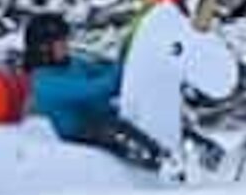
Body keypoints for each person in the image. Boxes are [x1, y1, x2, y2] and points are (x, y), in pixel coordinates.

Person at [22, 11, 230, 183]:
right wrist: (125, 62)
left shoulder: (73, 63)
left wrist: (129, 61)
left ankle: (217, 159)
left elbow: (104, 70)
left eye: (65, 40)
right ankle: (163, 163)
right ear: (43, 48)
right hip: (79, 131)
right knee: (115, 131)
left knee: (160, 120)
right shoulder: (43, 82)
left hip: (104, 116)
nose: (66, 45)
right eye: (60, 42)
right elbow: (99, 88)